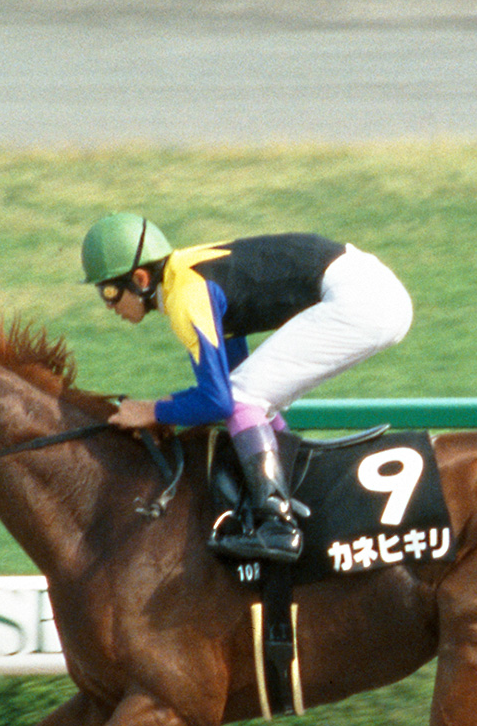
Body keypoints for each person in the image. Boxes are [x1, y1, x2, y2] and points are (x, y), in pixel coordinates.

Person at [82, 212, 414, 562]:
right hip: (369, 290)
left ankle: (279, 527)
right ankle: (287, 493)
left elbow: (220, 401)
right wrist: (170, 407)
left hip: (364, 300)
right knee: (251, 395)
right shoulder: (189, 277)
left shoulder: (187, 296)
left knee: (244, 398)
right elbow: (234, 379)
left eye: (110, 291)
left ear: (140, 278)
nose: (108, 305)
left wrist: (152, 410)